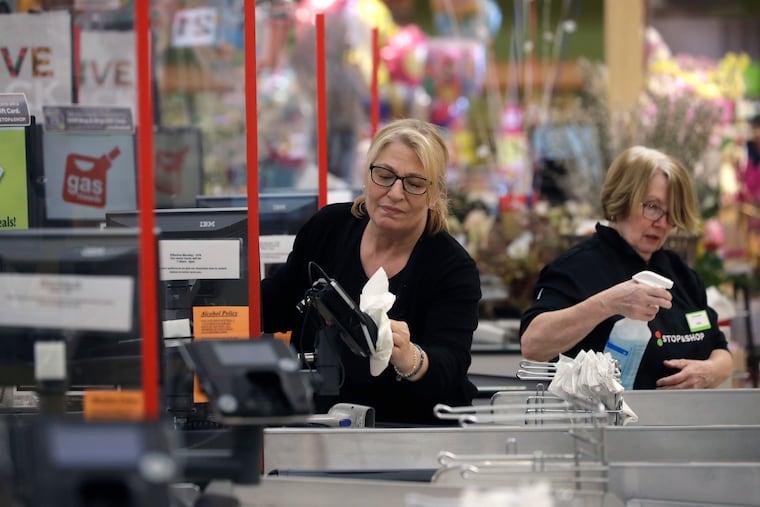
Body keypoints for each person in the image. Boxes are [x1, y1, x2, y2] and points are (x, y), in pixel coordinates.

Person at [261, 118, 481, 425]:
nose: (394, 193)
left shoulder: (452, 268)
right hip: (317, 425)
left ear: (435, 195)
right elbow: (277, 304)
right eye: (385, 175)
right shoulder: (328, 229)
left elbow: (450, 364)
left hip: (410, 433)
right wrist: (215, 291)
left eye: (414, 184)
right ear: (367, 174)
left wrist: (411, 358)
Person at [519, 146, 732, 390]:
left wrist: (711, 370)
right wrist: (608, 303)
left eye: (672, 212)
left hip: (684, 420)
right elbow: (533, 344)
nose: (662, 223)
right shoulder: (578, 266)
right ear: (622, 200)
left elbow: (720, 348)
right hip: (603, 424)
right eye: (652, 206)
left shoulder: (680, 273)